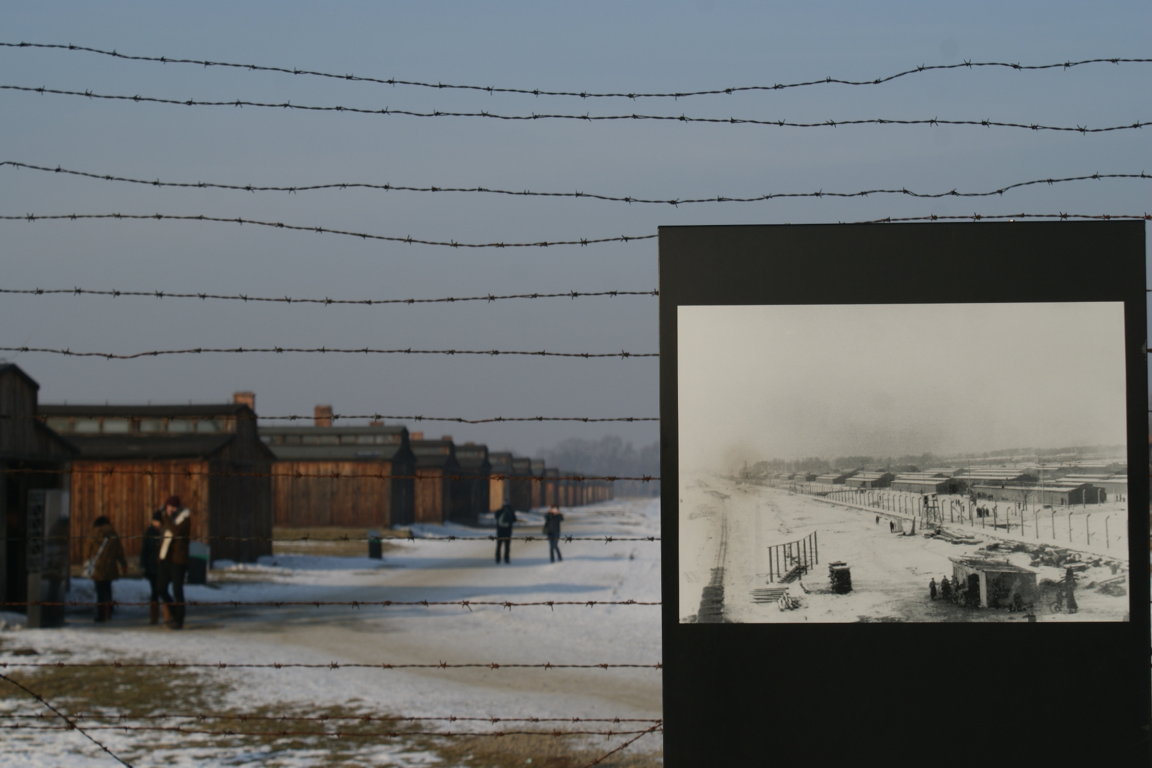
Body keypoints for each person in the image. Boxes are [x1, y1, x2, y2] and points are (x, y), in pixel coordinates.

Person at [157, 495, 192, 629]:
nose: (170, 509)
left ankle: (179, 619)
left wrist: (167, 518)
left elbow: (176, 531)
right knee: (161, 588)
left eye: (172, 507)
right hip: (165, 558)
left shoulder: (184, 519)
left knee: (178, 590)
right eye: (168, 507)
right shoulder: (166, 518)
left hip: (178, 559)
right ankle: (173, 612)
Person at [89, 515, 127, 623]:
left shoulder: (93, 533)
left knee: (100, 591)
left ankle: (101, 614)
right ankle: (109, 611)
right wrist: (123, 564)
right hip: (110, 566)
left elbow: (88, 550)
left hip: (97, 566)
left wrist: (87, 561)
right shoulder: (113, 534)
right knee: (108, 589)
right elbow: (119, 551)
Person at [140, 509, 165, 624]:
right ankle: (154, 617)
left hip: (161, 566)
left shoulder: (163, 532)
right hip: (152, 566)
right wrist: (144, 565)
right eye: (155, 521)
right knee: (155, 591)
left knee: (161, 590)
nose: (157, 523)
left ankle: (165, 614)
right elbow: (145, 550)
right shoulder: (150, 532)